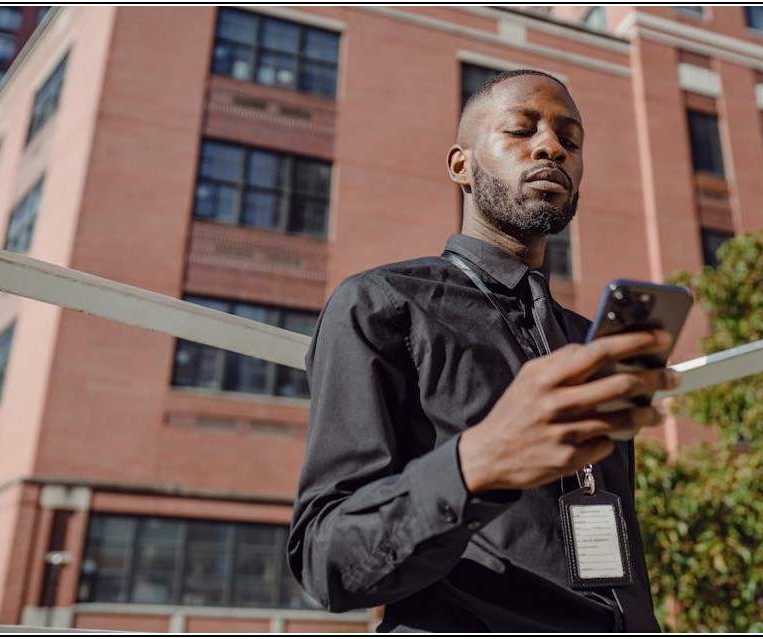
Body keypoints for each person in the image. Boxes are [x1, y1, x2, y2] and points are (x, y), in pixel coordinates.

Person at [286, 69, 679, 632]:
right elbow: (326, 561)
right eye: (521, 130)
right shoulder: (381, 303)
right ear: (461, 165)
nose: (551, 147)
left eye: (571, 141)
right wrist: (477, 465)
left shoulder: (586, 340)